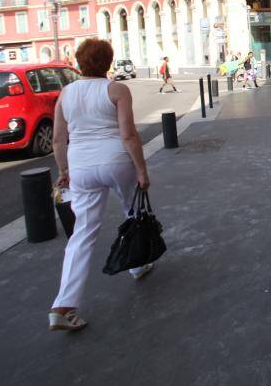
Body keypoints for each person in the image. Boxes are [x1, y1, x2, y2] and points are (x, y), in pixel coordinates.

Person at [49, 38, 154, 332]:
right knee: (133, 213)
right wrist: (142, 170)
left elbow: (59, 139)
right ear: (108, 61)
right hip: (116, 159)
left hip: (80, 165)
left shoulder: (65, 93)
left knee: (82, 232)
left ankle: (64, 305)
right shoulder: (116, 89)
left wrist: (63, 171)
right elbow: (129, 134)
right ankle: (136, 264)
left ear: (80, 62)